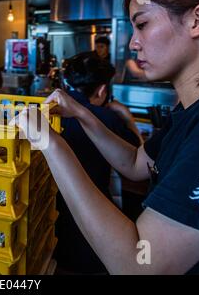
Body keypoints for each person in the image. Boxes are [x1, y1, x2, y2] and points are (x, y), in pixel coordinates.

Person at [14, 0, 199, 274]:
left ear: (197, 20)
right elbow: (137, 163)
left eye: (143, 24)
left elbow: (137, 265)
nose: (133, 42)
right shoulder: (190, 110)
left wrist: (50, 143)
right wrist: (85, 115)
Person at [56, 52, 142, 274]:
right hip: (93, 222)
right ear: (103, 89)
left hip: (52, 219)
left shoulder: (51, 113)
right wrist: (128, 118)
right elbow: (139, 158)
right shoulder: (108, 118)